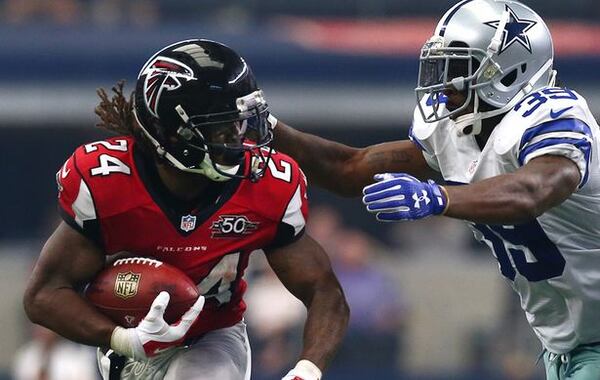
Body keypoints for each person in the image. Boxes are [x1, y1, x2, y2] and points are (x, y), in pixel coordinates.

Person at [269, 1, 600, 379]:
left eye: (458, 68)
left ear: (511, 71)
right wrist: (268, 126)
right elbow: (349, 169)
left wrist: (436, 197)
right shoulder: (457, 134)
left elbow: (533, 191)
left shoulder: (553, 115)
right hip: (565, 347)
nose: (443, 83)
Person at [23, 39, 349, 380]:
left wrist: (307, 371)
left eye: (239, 123)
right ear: (174, 135)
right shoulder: (106, 182)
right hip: (128, 345)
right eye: (221, 127)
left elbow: (324, 291)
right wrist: (122, 338)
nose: (238, 139)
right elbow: (44, 294)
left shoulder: (267, 184)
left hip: (214, 336)